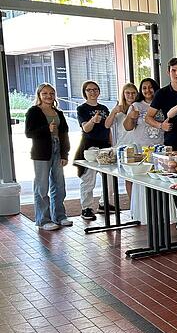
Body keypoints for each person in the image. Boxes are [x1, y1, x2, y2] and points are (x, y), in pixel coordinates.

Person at [146, 58, 177, 231]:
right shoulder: (161, 93)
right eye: (174, 70)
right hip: (172, 141)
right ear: (168, 72)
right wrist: (161, 126)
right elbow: (148, 117)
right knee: (176, 176)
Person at [25, 83, 71, 230]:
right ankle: (43, 220)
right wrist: (47, 129)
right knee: (42, 186)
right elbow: (29, 133)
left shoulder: (59, 113)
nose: (48, 96)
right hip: (41, 152)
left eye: (51, 93)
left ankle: (60, 216)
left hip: (58, 149)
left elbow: (64, 134)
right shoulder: (33, 112)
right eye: (45, 93)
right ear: (39, 95)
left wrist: (64, 154)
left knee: (59, 185)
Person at [124, 78, 163, 224]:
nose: (148, 90)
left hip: (160, 150)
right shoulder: (136, 106)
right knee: (143, 183)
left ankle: (161, 213)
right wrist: (131, 117)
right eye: (144, 88)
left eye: (151, 87)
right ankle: (144, 214)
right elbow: (128, 127)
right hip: (142, 150)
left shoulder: (161, 103)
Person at [75, 81, 115, 221]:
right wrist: (93, 120)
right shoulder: (82, 109)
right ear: (85, 92)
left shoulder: (104, 108)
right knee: (89, 179)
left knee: (109, 178)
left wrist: (112, 144)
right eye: (89, 90)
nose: (92, 92)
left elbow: (107, 127)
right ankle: (86, 208)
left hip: (105, 145)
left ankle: (104, 203)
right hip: (90, 146)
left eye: (95, 89)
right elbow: (85, 128)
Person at [107, 83, 139, 205]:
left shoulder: (139, 107)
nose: (130, 95)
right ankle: (132, 205)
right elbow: (107, 125)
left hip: (139, 145)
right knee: (129, 178)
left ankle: (141, 205)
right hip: (124, 147)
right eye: (127, 93)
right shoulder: (119, 110)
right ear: (123, 94)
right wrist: (114, 112)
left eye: (133, 93)